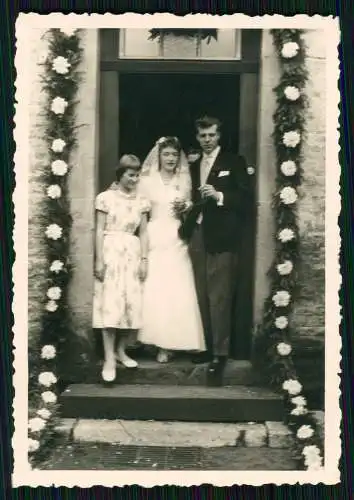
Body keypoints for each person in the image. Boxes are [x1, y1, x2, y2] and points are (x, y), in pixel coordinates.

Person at [179, 116, 254, 386]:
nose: (207, 140)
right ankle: (206, 346)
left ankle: (219, 355)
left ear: (219, 135)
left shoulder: (234, 162)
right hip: (197, 235)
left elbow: (246, 199)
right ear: (197, 137)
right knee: (199, 292)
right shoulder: (193, 163)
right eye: (202, 136)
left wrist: (219, 196)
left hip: (223, 238)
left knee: (219, 296)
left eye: (211, 135)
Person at [137, 136, 206, 363]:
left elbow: (190, 208)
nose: (170, 159)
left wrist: (186, 207)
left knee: (177, 286)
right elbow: (139, 210)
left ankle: (175, 342)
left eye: (174, 155)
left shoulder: (183, 179)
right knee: (155, 287)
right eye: (166, 154)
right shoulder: (147, 180)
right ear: (159, 156)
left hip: (177, 236)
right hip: (155, 235)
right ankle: (154, 341)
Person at [92, 154, 150, 383]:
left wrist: (144, 259)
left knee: (129, 304)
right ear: (120, 174)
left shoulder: (142, 201)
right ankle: (108, 358)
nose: (134, 179)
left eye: (137, 175)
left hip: (132, 253)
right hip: (110, 251)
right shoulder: (105, 198)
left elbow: (143, 232)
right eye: (130, 175)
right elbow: (98, 230)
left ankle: (121, 350)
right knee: (111, 304)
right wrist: (98, 260)